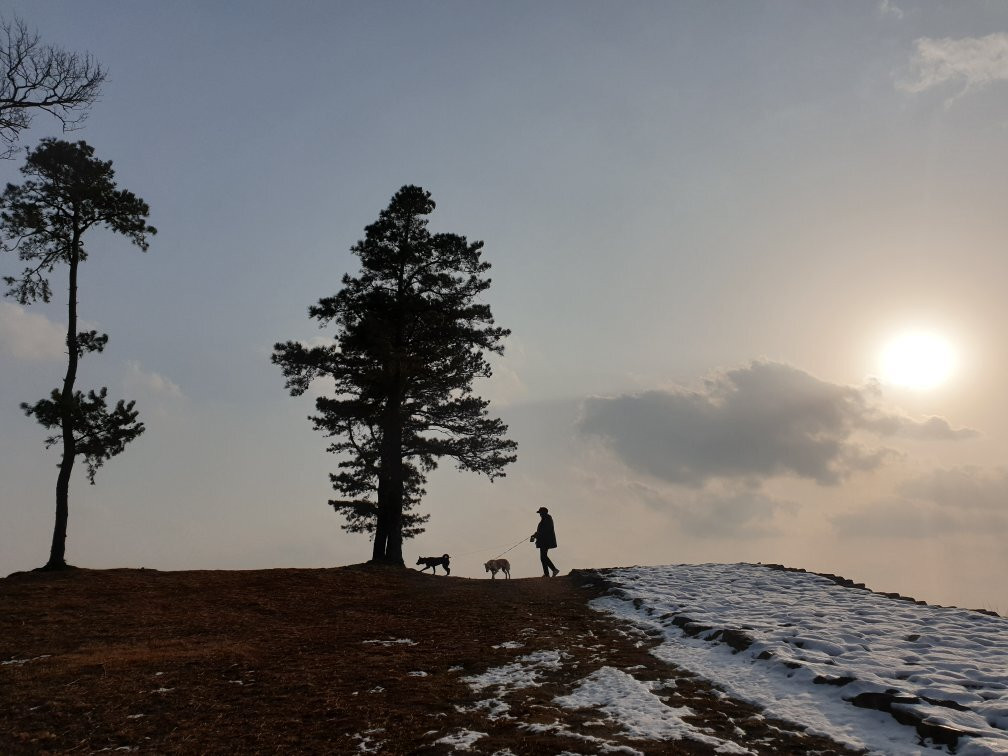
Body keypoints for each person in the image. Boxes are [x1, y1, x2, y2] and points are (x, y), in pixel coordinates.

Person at [530, 506, 559, 577]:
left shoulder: (547, 519)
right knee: (543, 557)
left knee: (543, 557)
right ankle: (547, 574)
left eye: (540, 513)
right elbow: (541, 531)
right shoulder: (545, 519)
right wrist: (534, 535)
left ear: (543, 513)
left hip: (546, 541)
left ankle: (554, 570)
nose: (540, 514)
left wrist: (536, 535)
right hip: (543, 541)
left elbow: (545, 530)